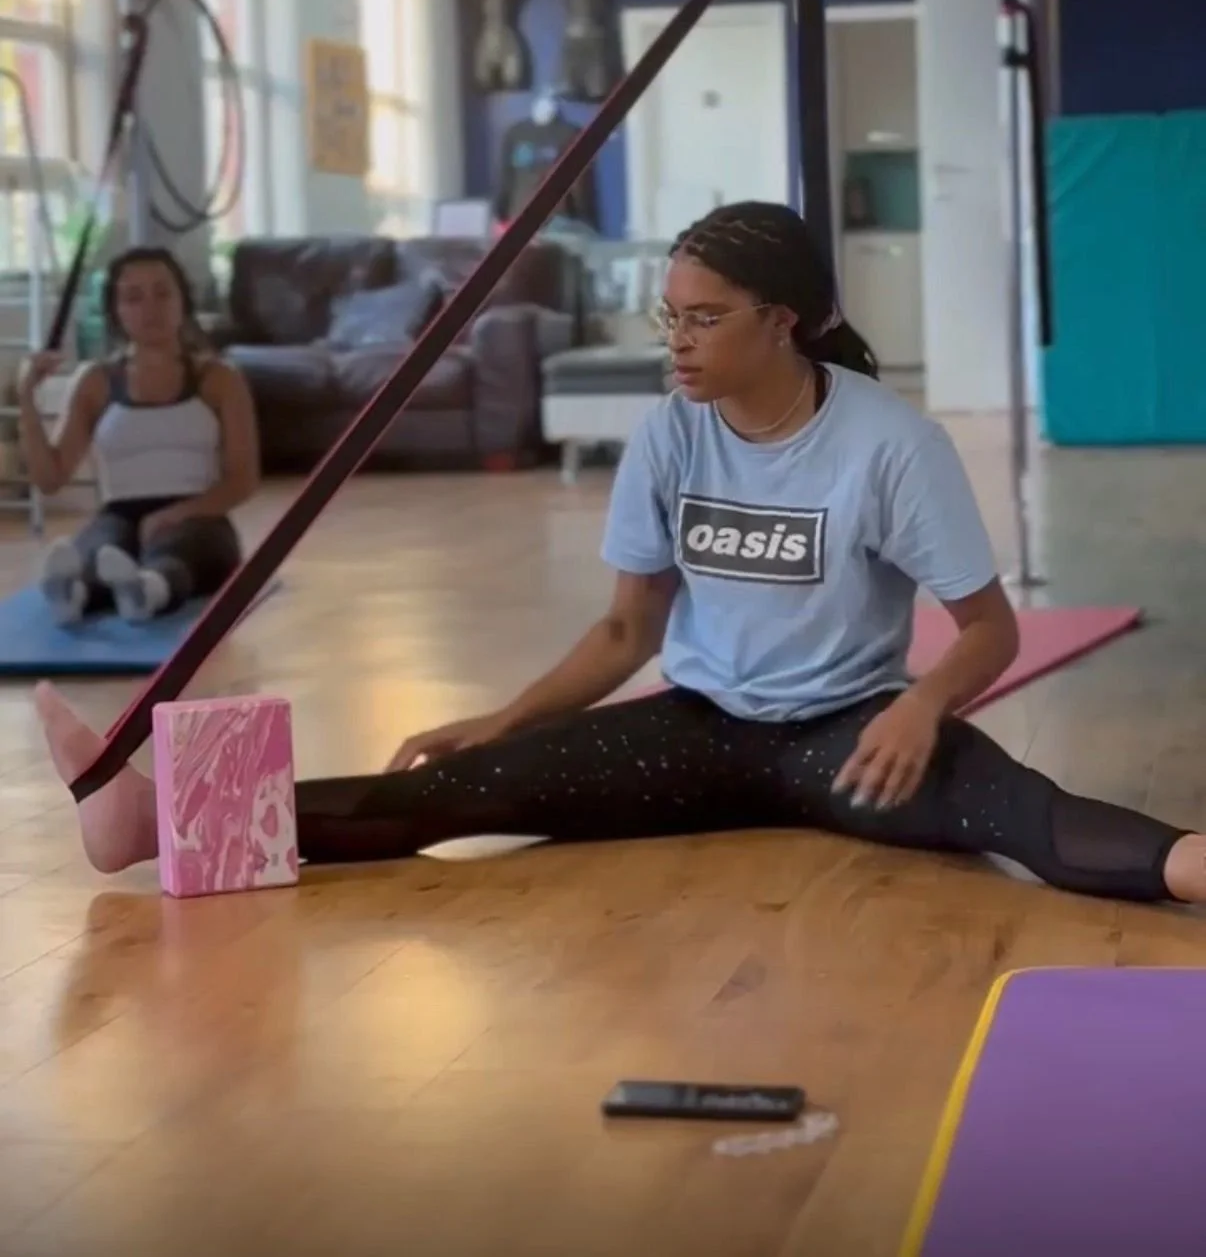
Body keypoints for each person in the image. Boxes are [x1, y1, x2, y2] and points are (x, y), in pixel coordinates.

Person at [33, 203, 1206, 903]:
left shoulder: (889, 442)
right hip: (696, 725)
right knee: (453, 790)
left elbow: (990, 626)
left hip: (850, 736)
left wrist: (922, 708)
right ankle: (154, 822)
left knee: (1027, 817)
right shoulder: (668, 433)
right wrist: (508, 714)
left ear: (779, 323)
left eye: (703, 317)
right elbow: (624, 633)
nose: (676, 342)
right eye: (669, 317)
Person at [20, 245, 259, 626]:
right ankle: (74, 593)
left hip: (201, 515)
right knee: (100, 549)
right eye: (133, 297)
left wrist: (177, 513)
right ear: (116, 311)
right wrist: (27, 398)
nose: (151, 308)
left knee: (177, 552)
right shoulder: (95, 381)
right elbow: (50, 479)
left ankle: (148, 589)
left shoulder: (219, 379)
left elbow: (243, 480)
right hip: (120, 514)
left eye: (163, 293)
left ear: (183, 300)